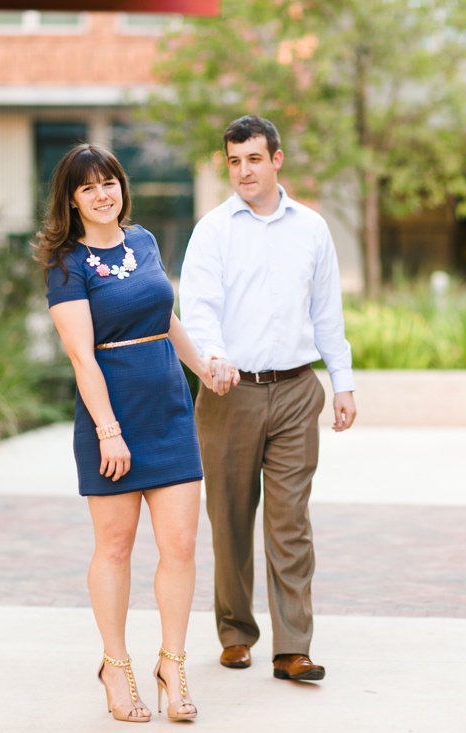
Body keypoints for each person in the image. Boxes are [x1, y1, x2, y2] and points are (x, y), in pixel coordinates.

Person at [36, 143, 236, 723]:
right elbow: (81, 356)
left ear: (122, 186)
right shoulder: (66, 264)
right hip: (113, 417)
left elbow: (163, 318)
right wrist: (108, 431)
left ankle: (172, 664)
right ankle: (116, 666)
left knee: (180, 546)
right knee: (116, 547)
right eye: (88, 188)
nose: (103, 195)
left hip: (170, 410)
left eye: (110, 183)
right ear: (71, 201)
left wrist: (204, 367)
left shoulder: (143, 242)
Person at [179, 115, 357, 682]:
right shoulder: (213, 230)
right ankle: (235, 634)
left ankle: (292, 648)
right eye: (233, 161)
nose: (243, 171)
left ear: (276, 159)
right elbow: (199, 307)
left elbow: (327, 312)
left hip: (296, 391)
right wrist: (212, 358)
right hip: (228, 392)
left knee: (290, 523)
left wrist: (342, 382)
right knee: (229, 520)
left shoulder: (311, 229)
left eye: (253, 158)